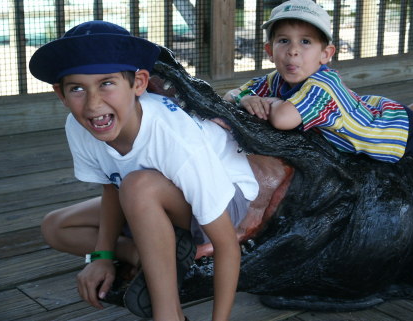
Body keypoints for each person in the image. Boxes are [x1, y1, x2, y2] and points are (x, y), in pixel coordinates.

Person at [29, 20, 259, 321]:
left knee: (138, 186)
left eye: (107, 83)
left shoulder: (174, 138)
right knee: (56, 227)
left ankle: (168, 314)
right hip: (146, 194)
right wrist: (102, 256)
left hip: (224, 198)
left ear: (138, 83)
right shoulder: (80, 124)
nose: (93, 104)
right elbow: (111, 186)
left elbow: (226, 245)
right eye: (77, 89)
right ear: (61, 94)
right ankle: (144, 254)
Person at [224, 0, 413, 163]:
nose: (293, 51)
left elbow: (283, 119)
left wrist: (269, 101)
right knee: (407, 114)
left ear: (326, 54)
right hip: (380, 112)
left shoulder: (322, 86)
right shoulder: (275, 80)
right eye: (284, 40)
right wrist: (246, 99)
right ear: (270, 51)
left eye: (305, 42)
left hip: (388, 135)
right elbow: (229, 95)